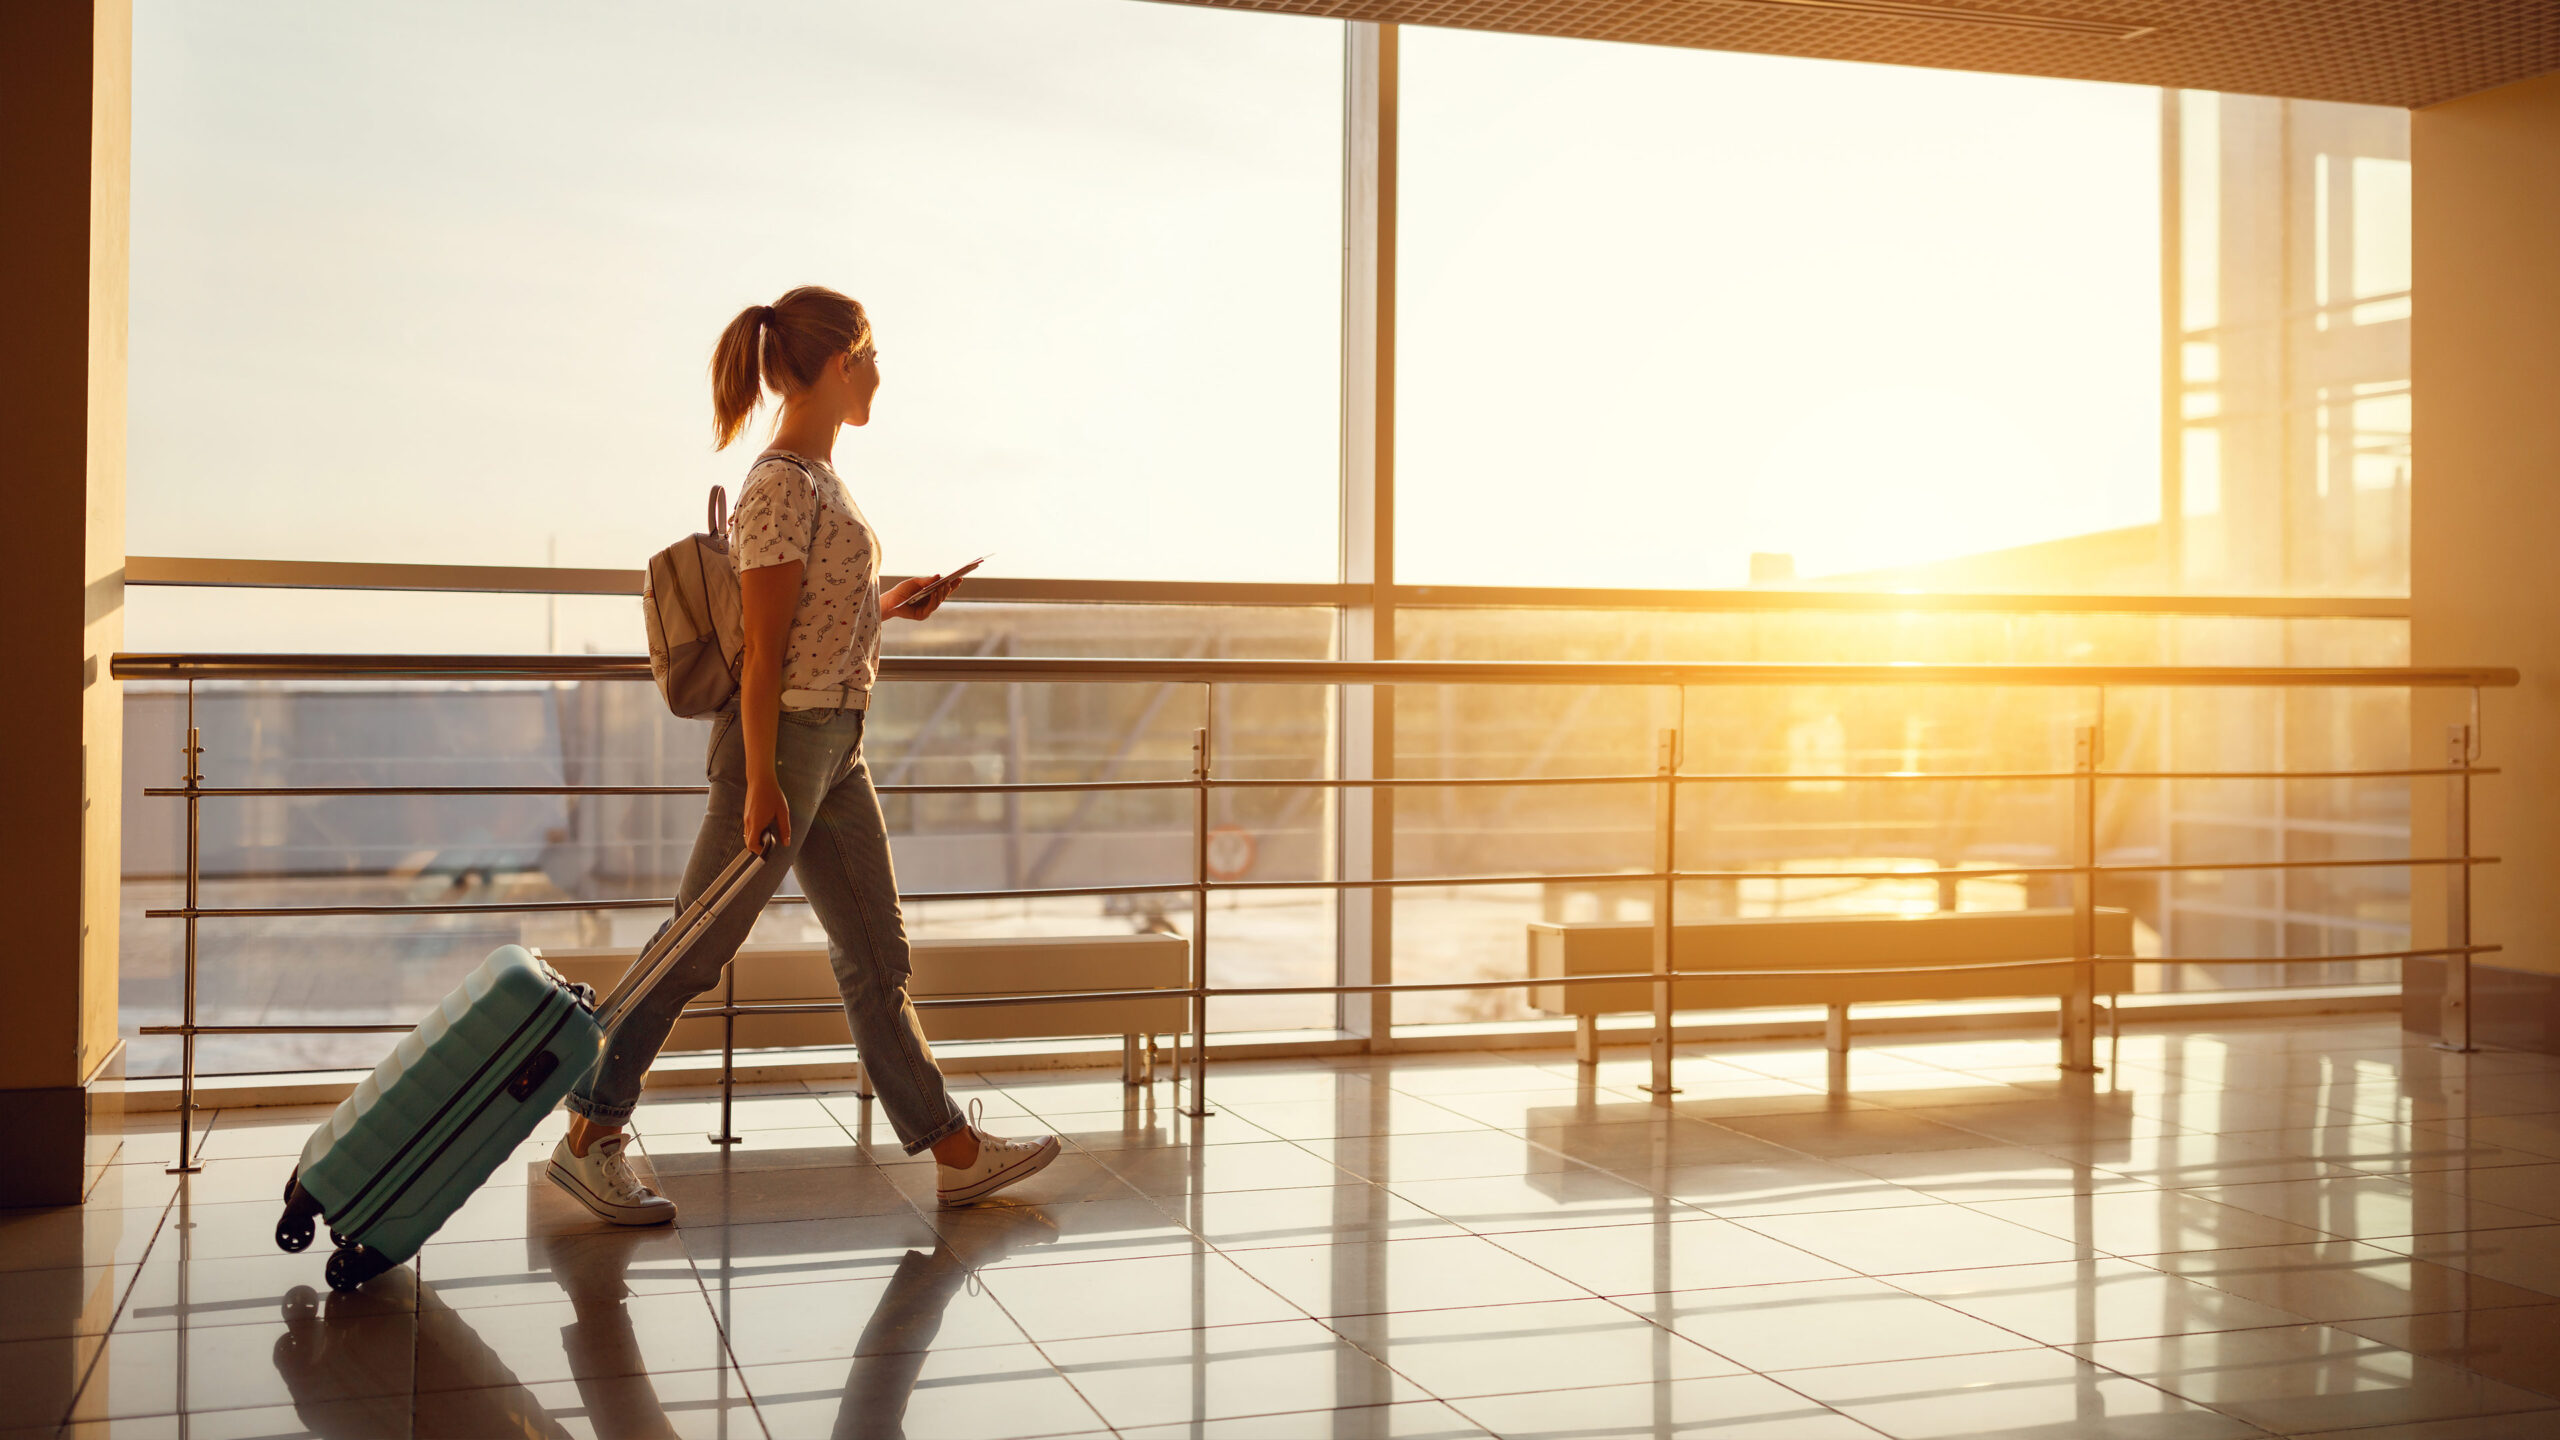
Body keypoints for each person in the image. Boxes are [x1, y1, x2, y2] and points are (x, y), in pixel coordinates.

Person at [546, 286, 1059, 1223]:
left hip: (836, 745)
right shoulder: (781, 482)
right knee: (692, 951)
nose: (878, 373)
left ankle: (953, 1150)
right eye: (869, 355)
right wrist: (763, 783)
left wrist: (887, 606)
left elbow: (814, 621)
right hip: (780, 749)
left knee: (875, 956)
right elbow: (762, 655)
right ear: (836, 363)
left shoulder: (820, 478)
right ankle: (589, 1128)